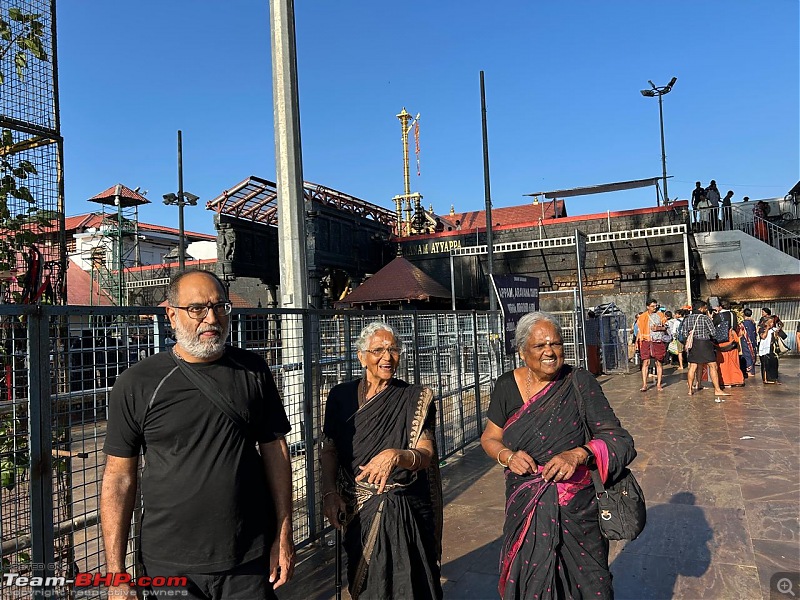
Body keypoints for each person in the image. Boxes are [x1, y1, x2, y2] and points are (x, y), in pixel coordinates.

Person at [101, 269, 294, 599]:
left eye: (220, 307)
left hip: (247, 557)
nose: (211, 318)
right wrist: (115, 572)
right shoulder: (137, 383)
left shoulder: (253, 370)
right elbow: (119, 477)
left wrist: (284, 533)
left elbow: (276, 452)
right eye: (197, 309)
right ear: (172, 315)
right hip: (169, 563)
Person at [480, 311, 636, 600]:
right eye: (540, 346)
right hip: (525, 505)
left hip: (578, 510)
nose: (550, 352)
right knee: (531, 582)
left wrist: (577, 454)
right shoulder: (505, 386)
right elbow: (490, 438)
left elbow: (618, 440)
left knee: (589, 585)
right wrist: (506, 456)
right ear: (522, 352)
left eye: (556, 343)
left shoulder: (579, 382)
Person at [321, 322, 443, 600]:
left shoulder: (414, 397)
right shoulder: (340, 396)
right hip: (357, 509)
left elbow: (426, 455)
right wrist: (329, 493)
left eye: (394, 350)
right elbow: (329, 450)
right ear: (361, 356)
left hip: (405, 506)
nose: (387, 357)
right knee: (366, 586)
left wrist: (397, 455)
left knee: (411, 584)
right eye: (378, 350)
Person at [679, 301, 730, 397]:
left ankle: (690, 389)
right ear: (701, 308)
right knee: (713, 366)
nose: (706, 309)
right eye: (705, 308)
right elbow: (713, 332)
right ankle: (717, 389)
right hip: (705, 343)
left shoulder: (687, 318)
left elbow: (684, 333)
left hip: (693, 344)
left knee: (693, 367)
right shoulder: (705, 318)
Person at [636, 299, 668, 391]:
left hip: (657, 341)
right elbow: (639, 331)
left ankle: (658, 384)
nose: (655, 308)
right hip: (646, 341)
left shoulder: (660, 315)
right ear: (647, 307)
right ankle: (645, 384)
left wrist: (658, 328)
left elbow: (666, 327)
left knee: (659, 362)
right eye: (652, 306)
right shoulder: (642, 317)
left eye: (655, 306)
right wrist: (637, 343)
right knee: (646, 362)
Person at [758, 316, 782, 384]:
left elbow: (779, 336)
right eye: (770, 322)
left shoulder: (774, 329)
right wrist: (767, 329)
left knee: (774, 363)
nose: (772, 324)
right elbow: (763, 337)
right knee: (765, 364)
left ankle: (773, 378)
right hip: (764, 349)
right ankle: (765, 379)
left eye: (772, 322)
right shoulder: (762, 329)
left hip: (772, 349)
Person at [739, 308, 758, 377]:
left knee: (747, 355)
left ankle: (748, 371)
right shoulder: (753, 323)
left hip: (746, 341)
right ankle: (752, 370)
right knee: (752, 354)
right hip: (753, 341)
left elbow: (740, 333)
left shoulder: (742, 324)